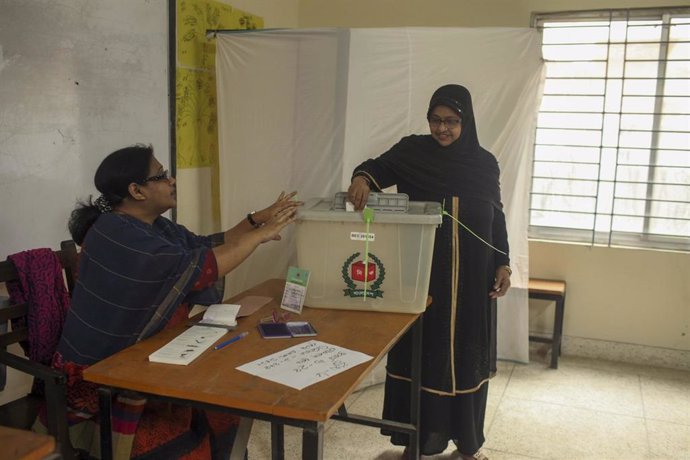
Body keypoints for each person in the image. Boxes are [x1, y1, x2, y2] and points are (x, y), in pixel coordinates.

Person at [38, 144, 301, 459]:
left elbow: (208, 246)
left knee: (224, 409)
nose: (172, 180)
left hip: (145, 353)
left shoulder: (155, 226)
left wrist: (258, 219)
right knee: (195, 428)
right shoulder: (113, 232)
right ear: (136, 190)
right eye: (161, 175)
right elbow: (201, 268)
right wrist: (259, 235)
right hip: (101, 374)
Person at [347, 84, 511, 460]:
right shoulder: (412, 152)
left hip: (474, 279)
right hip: (423, 277)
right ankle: (417, 442)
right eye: (436, 120)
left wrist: (504, 262)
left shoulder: (484, 163)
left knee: (467, 360)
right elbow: (377, 167)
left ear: (465, 121)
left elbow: (496, 215)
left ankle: (467, 445)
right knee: (423, 356)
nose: (442, 129)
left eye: (451, 121)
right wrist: (361, 178)